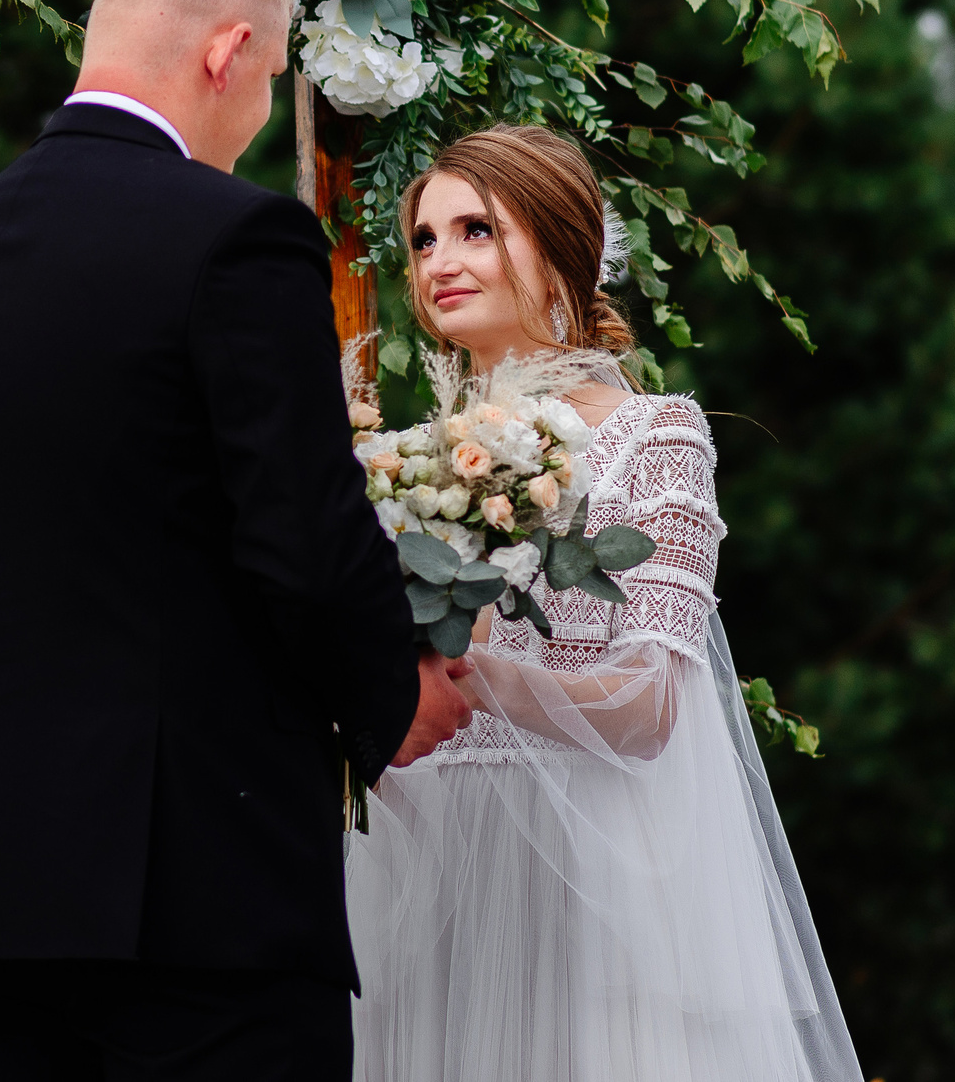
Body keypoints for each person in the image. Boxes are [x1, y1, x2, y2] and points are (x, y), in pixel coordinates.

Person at [0, 0, 473, 1081]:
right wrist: (389, 693)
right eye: (270, 75)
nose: (253, 112)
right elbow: (300, 535)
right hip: (196, 880)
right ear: (228, 51)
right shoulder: (235, 237)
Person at [347, 124, 865, 1082]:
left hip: (595, 902)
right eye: (424, 240)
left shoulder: (653, 436)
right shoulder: (397, 463)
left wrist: (480, 673)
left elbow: (650, 705)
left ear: (557, 251)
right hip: (429, 900)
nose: (440, 263)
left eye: (475, 231)